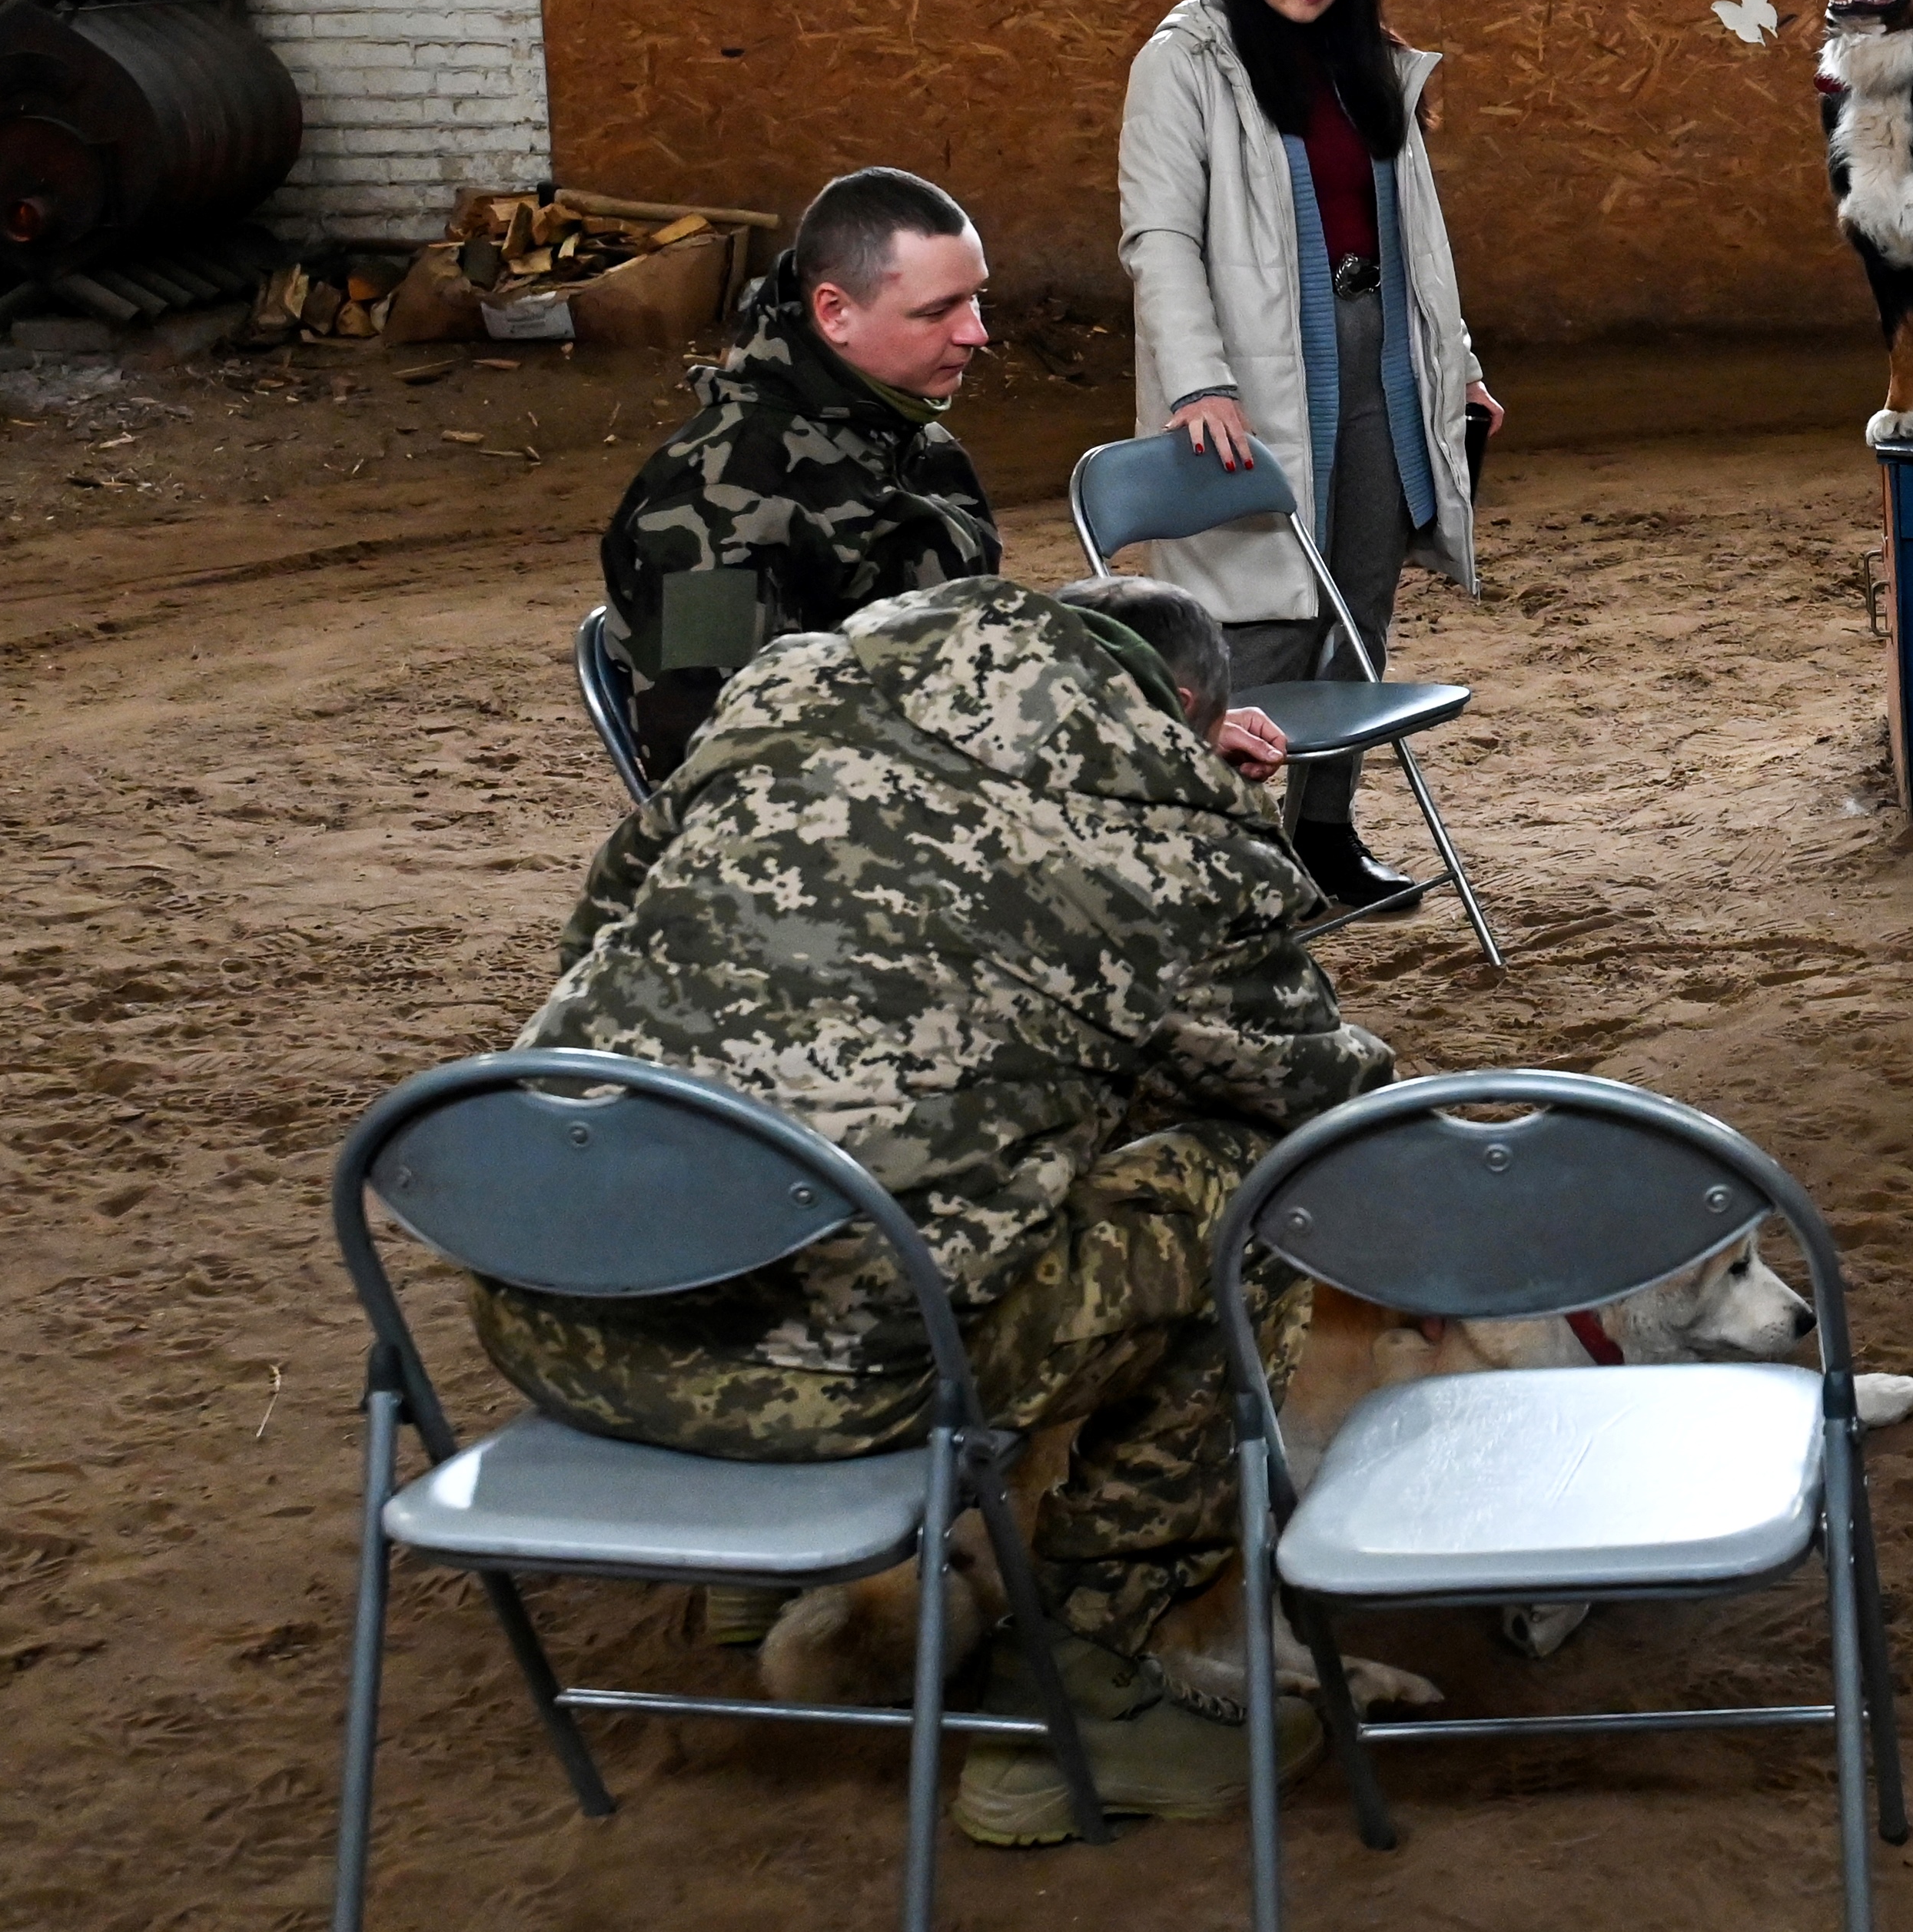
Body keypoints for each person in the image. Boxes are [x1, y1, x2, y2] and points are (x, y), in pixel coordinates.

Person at [470, 571, 1395, 1841]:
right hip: (845, 1386)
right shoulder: (1174, 842)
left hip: (555, 1313)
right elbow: (1312, 1094)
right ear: (1190, 711)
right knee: (1251, 1191)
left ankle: (761, 1584)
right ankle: (1078, 1694)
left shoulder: (780, 700)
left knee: (791, 1132)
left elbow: (602, 940)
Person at [1122, 0, 1504, 911]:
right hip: (1251, 363)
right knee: (1255, 617)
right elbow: (1157, 237)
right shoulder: (1184, 60)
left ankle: (1323, 836)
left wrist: (1455, 370)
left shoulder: (1364, 60)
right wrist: (1196, 382)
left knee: (1357, 600)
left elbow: (1417, 238)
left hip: (1379, 350)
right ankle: (1222, 852)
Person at [596, 165, 1004, 778]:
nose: (976, 332)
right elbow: (716, 762)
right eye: (938, 310)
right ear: (835, 312)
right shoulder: (719, 495)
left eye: (975, 297)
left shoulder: (915, 440)